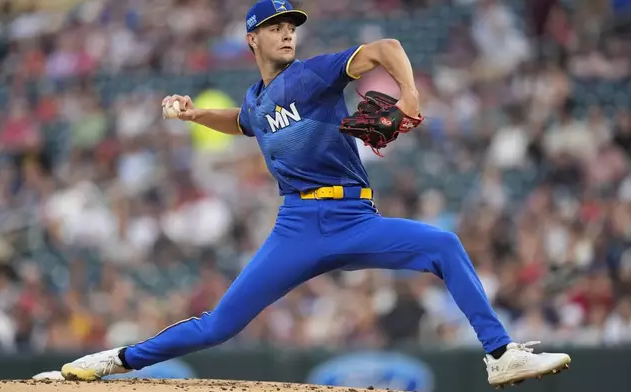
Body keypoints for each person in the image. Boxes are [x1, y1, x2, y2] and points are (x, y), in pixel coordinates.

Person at [57, 0, 570, 388]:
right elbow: (244, 122)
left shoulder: (312, 74)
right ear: (251, 39)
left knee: (444, 245)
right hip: (296, 229)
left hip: (353, 218)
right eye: (274, 27)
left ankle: (500, 355)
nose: (286, 33)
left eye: (290, 26)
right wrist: (194, 115)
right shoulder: (258, 99)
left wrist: (409, 94)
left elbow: (386, 49)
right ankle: (114, 360)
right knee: (219, 325)